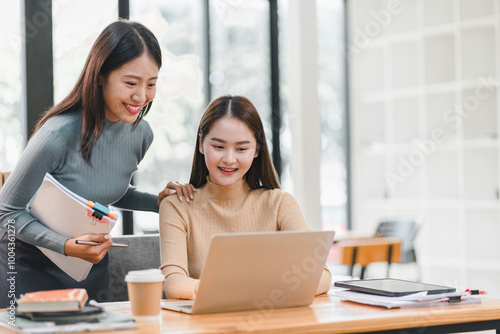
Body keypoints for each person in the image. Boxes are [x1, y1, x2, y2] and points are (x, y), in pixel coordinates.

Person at [0, 20, 195, 307]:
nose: (141, 96)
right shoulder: (57, 134)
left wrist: (160, 202)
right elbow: (6, 214)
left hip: (87, 266)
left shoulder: (141, 134)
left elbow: (106, 190)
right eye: (131, 83)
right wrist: (66, 247)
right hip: (30, 266)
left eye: (151, 84)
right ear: (100, 75)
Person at [159, 95, 332, 300]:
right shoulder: (177, 205)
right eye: (219, 146)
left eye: (241, 148)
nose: (229, 159)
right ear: (201, 144)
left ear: (257, 149)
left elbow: (321, 275)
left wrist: (250, 292)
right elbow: (173, 282)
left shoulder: (279, 204)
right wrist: (245, 292)